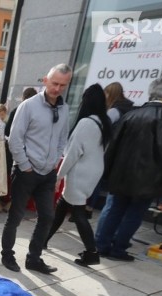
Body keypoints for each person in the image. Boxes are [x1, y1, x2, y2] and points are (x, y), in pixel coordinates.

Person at [96, 76, 162, 261]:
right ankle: (119, 248)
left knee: (113, 209)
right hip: (148, 178)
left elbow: (112, 146)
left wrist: (107, 171)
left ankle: (101, 244)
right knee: (134, 214)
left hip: (121, 174)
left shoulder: (132, 114)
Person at [1, 64, 73, 274]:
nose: (57, 88)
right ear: (45, 80)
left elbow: (62, 139)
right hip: (26, 171)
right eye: (54, 83)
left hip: (47, 172)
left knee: (47, 216)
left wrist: (54, 162)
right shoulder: (29, 106)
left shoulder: (64, 108)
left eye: (63, 85)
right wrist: (25, 165)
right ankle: (7, 254)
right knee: (15, 215)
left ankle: (34, 258)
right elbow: (14, 139)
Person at [45, 84, 112, 266]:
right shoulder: (103, 122)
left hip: (79, 172)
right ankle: (43, 240)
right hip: (93, 171)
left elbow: (72, 153)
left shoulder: (86, 123)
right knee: (62, 207)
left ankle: (92, 252)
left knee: (78, 212)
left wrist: (58, 176)